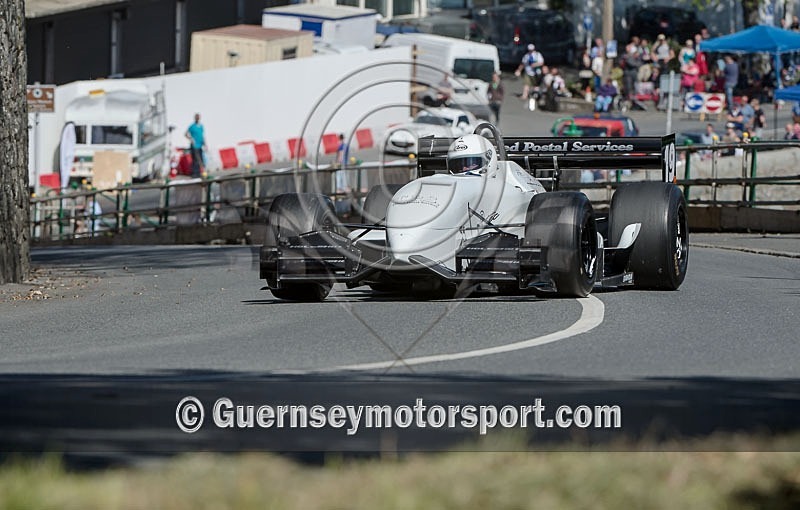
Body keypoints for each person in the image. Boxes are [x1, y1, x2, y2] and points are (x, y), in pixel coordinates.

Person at [185, 113, 207, 178]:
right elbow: (186, 134)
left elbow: (202, 136)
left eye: (198, 117)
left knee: (201, 159)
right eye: (196, 117)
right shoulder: (192, 126)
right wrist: (191, 139)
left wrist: (205, 144)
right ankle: (195, 173)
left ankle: (200, 172)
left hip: (200, 145)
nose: (197, 119)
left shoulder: (201, 126)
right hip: (194, 146)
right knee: (196, 160)